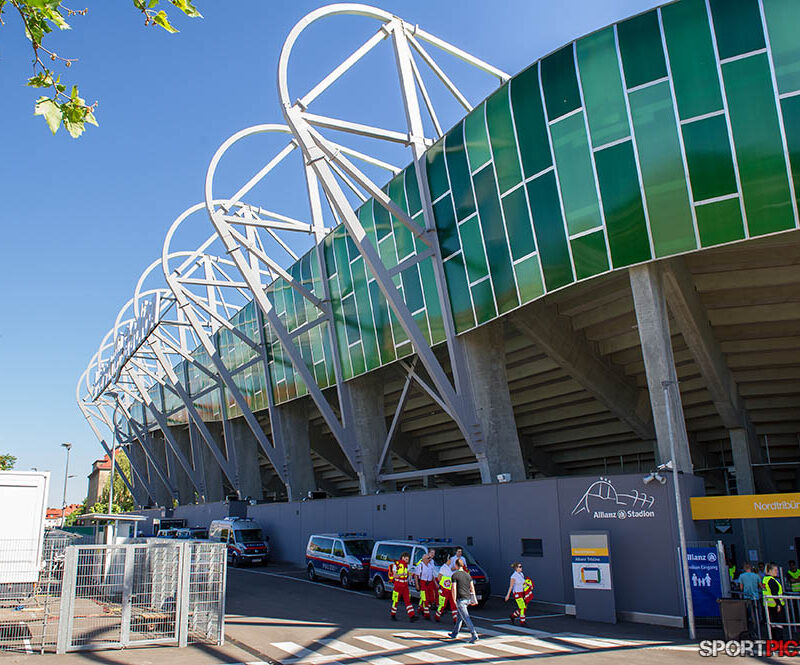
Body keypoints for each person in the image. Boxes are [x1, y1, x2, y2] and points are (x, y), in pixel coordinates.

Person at [448, 558, 479, 644]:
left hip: (460, 599)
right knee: (460, 617)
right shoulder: (468, 575)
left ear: (456, 565)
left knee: (466, 617)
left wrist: (453, 599)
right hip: (467, 598)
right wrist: (474, 599)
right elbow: (472, 587)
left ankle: (474, 634)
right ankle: (454, 633)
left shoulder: (455, 575)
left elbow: (453, 588)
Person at [389, 551, 417, 622]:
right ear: (403, 558)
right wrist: (402, 574)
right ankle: (393, 614)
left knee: (408, 600)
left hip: (405, 585)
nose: (407, 561)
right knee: (396, 600)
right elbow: (394, 575)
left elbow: (406, 574)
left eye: (408, 559)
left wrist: (409, 575)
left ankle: (412, 616)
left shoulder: (406, 565)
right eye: (406, 559)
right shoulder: (397, 564)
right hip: (398, 585)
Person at [763, 562, 785, 638]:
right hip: (775, 605)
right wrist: (778, 604)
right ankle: (779, 642)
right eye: (775, 570)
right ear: (770, 571)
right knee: (778, 626)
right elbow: (774, 593)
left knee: (773, 625)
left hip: (768, 605)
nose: (777, 572)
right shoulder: (771, 580)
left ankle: (774, 642)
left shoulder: (765, 579)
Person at [415, 548, 438, 620]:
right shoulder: (420, 566)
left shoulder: (430, 565)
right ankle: (426, 614)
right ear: (424, 559)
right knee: (425, 598)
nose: (429, 559)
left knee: (431, 598)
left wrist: (435, 583)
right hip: (423, 583)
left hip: (430, 583)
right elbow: (416, 576)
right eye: (428, 558)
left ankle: (420, 609)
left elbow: (432, 575)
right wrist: (417, 585)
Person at [435, 558, 458, 623]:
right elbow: (439, 577)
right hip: (444, 588)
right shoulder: (443, 567)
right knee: (442, 604)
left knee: (453, 603)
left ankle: (455, 619)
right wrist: (441, 585)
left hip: (451, 588)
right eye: (450, 559)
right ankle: (437, 616)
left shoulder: (452, 567)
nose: (451, 561)